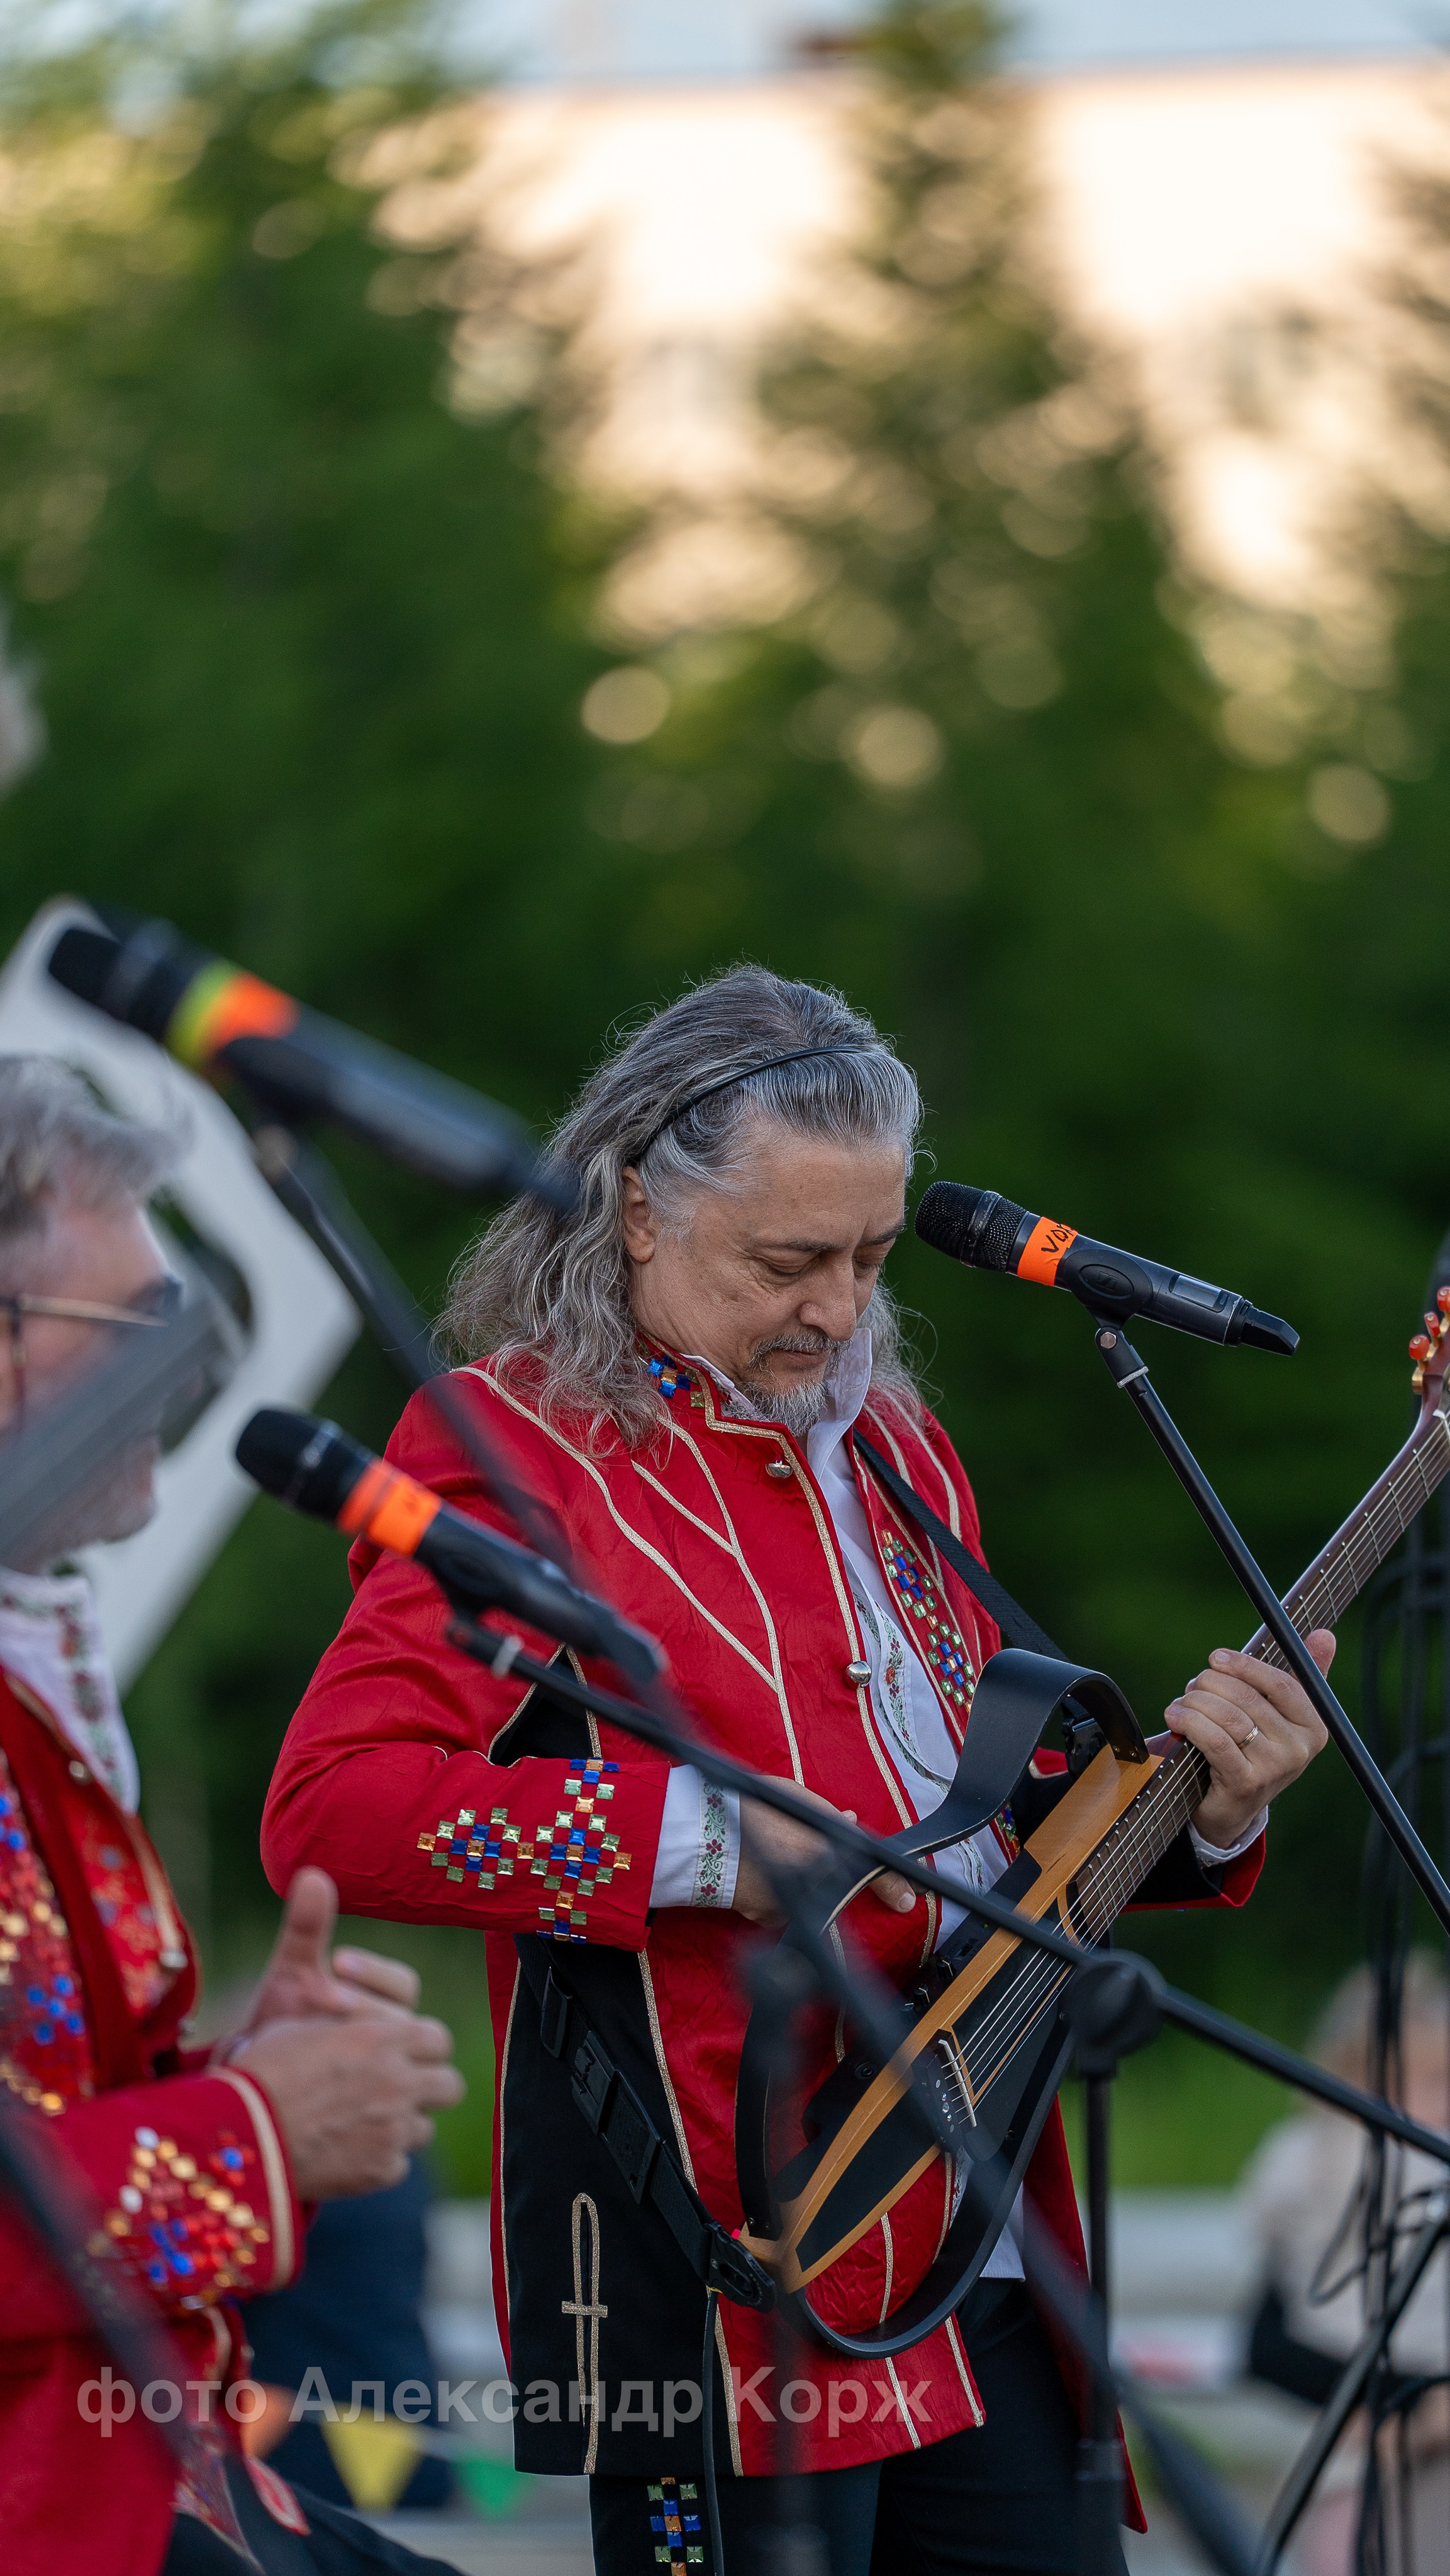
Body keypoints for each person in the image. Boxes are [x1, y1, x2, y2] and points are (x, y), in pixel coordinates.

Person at [261, 967, 1333, 2575]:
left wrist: (1213, 1806)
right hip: (730, 2247)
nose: (836, 1309)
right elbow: (328, 1812)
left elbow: (990, 1830)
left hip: (985, 2220)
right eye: (787, 1260)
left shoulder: (899, 1447)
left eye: (872, 1257)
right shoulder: (502, 1446)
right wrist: (708, 1843)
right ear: (634, 1209)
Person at [0, 1056, 465, 2576]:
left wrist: (243, 2074)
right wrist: (258, 2134)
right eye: (140, 1330)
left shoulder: (31, 1661)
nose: (189, 1378)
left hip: (139, 2476)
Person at [1242, 1954, 1450, 2576]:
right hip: (1356, 2431)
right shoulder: (1318, 2162)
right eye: (1425, 2080)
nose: (1438, 2098)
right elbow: (1269, 2339)